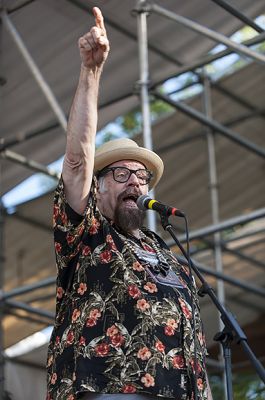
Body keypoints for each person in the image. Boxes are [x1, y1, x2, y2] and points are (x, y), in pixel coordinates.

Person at [46, 6, 212, 400]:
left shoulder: (161, 250)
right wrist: (91, 71)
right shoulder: (87, 235)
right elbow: (76, 160)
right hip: (109, 388)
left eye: (141, 176)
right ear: (98, 188)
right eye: (121, 174)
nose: (135, 182)